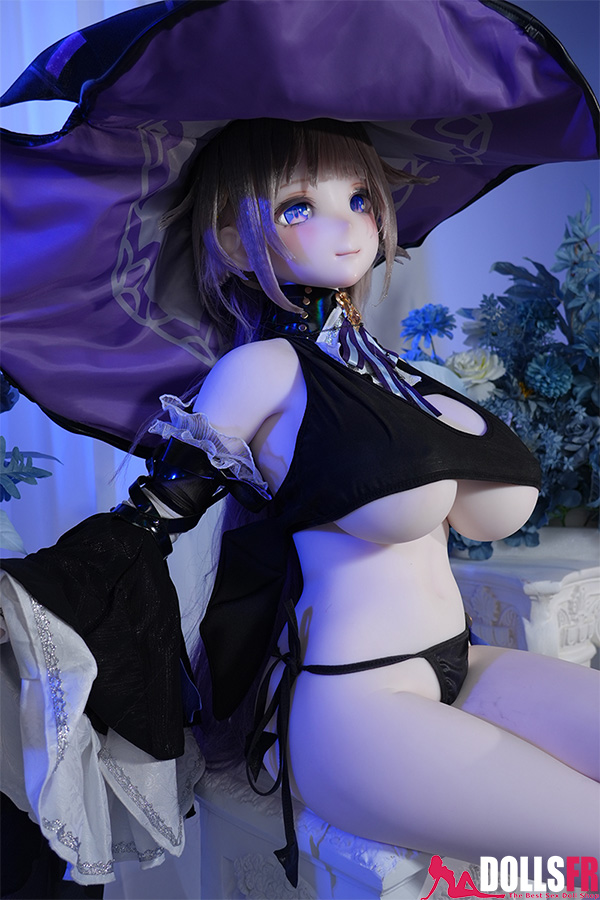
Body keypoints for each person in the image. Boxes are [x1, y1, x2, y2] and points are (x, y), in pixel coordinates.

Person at [2, 118, 598, 897]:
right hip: (360, 705)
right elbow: (154, 516)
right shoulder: (262, 372)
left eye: (359, 198)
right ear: (234, 240)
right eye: (297, 207)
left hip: (464, 661)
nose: (347, 224)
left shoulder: (404, 372)